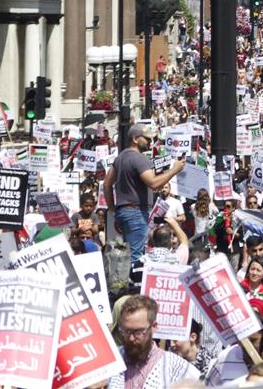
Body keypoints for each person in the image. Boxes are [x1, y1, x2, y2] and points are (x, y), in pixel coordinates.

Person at [104, 123, 186, 263]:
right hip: (136, 213)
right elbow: (154, 183)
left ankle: (127, 282)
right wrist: (174, 169)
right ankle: (134, 284)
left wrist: (113, 208)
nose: (150, 142)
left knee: (127, 254)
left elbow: (106, 184)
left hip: (123, 213)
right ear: (135, 139)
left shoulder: (120, 158)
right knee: (136, 257)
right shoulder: (139, 159)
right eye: (147, 139)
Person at [111, 295, 200, 389]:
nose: (131, 338)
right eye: (127, 331)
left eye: (138, 332)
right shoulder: (111, 361)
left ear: (154, 326)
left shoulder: (175, 367)